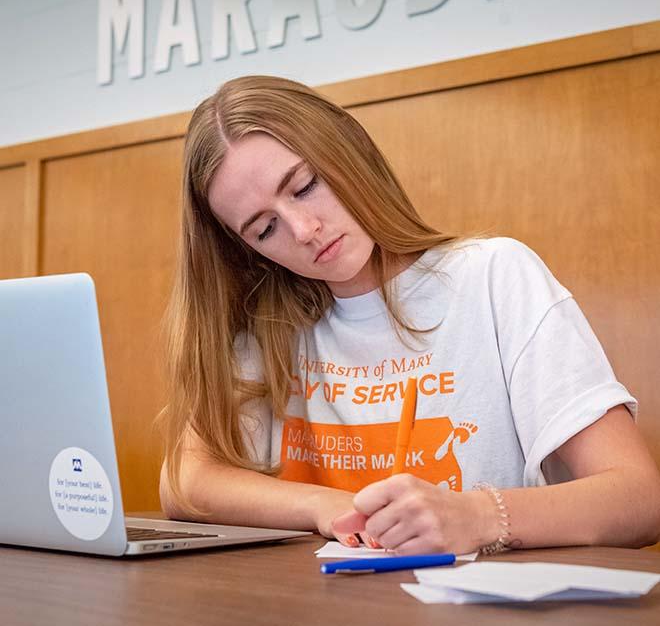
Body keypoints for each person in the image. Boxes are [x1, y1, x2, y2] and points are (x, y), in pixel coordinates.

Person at [158, 75, 660, 555]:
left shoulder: (493, 275)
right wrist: (323, 506)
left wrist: (478, 516)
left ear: (346, 149)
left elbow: (639, 499)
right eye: (265, 229)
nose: (305, 228)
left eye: (305, 185)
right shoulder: (268, 323)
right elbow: (184, 483)